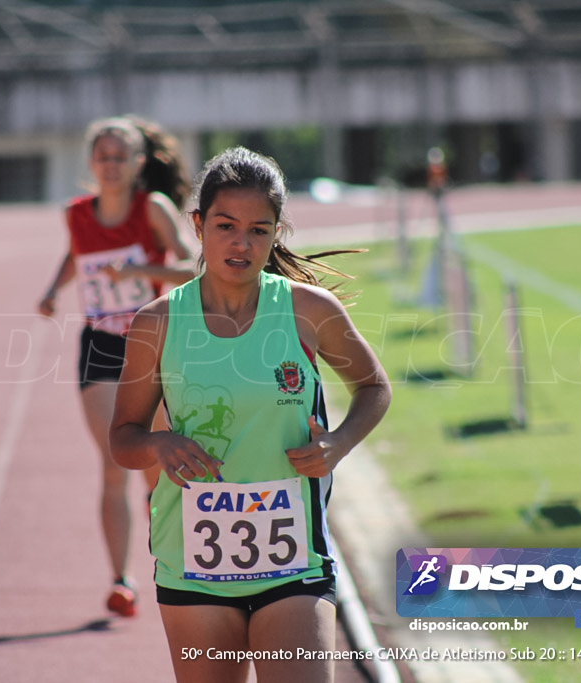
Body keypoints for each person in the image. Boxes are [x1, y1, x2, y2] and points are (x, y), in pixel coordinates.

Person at [109, 147, 391, 682]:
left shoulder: (308, 312)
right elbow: (123, 438)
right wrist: (158, 445)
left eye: (259, 230)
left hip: (293, 558)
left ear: (277, 233)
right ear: (197, 225)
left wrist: (339, 443)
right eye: (226, 225)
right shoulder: (158, 323)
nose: (242, 243)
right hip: (194, 561)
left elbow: (374, 387)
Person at [38, 116, 194, 618]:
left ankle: (173, 564)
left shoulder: (152, 208)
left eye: (119, 157)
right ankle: (120, 580)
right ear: (91, 163)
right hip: (100, 345)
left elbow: (193, 264)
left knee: (157, 468)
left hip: (151, 343)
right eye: (102, 157)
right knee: (113, 459)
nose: (110, 165)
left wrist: (140, 271)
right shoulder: (76, 213)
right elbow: (76, 254)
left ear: (138, 163)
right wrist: (51, 291)